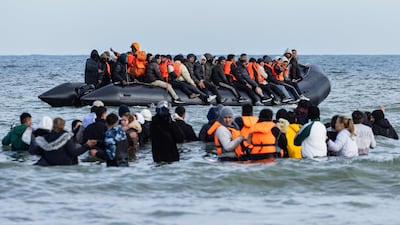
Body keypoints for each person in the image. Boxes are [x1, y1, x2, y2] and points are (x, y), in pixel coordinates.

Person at [30, 117, 97, 166]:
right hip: (63, 165)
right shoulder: (66, 137)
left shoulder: (45, 138)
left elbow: (36, 151)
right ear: (63, 125)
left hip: (47, 165)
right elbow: (73, 153)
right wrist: (87, 145)